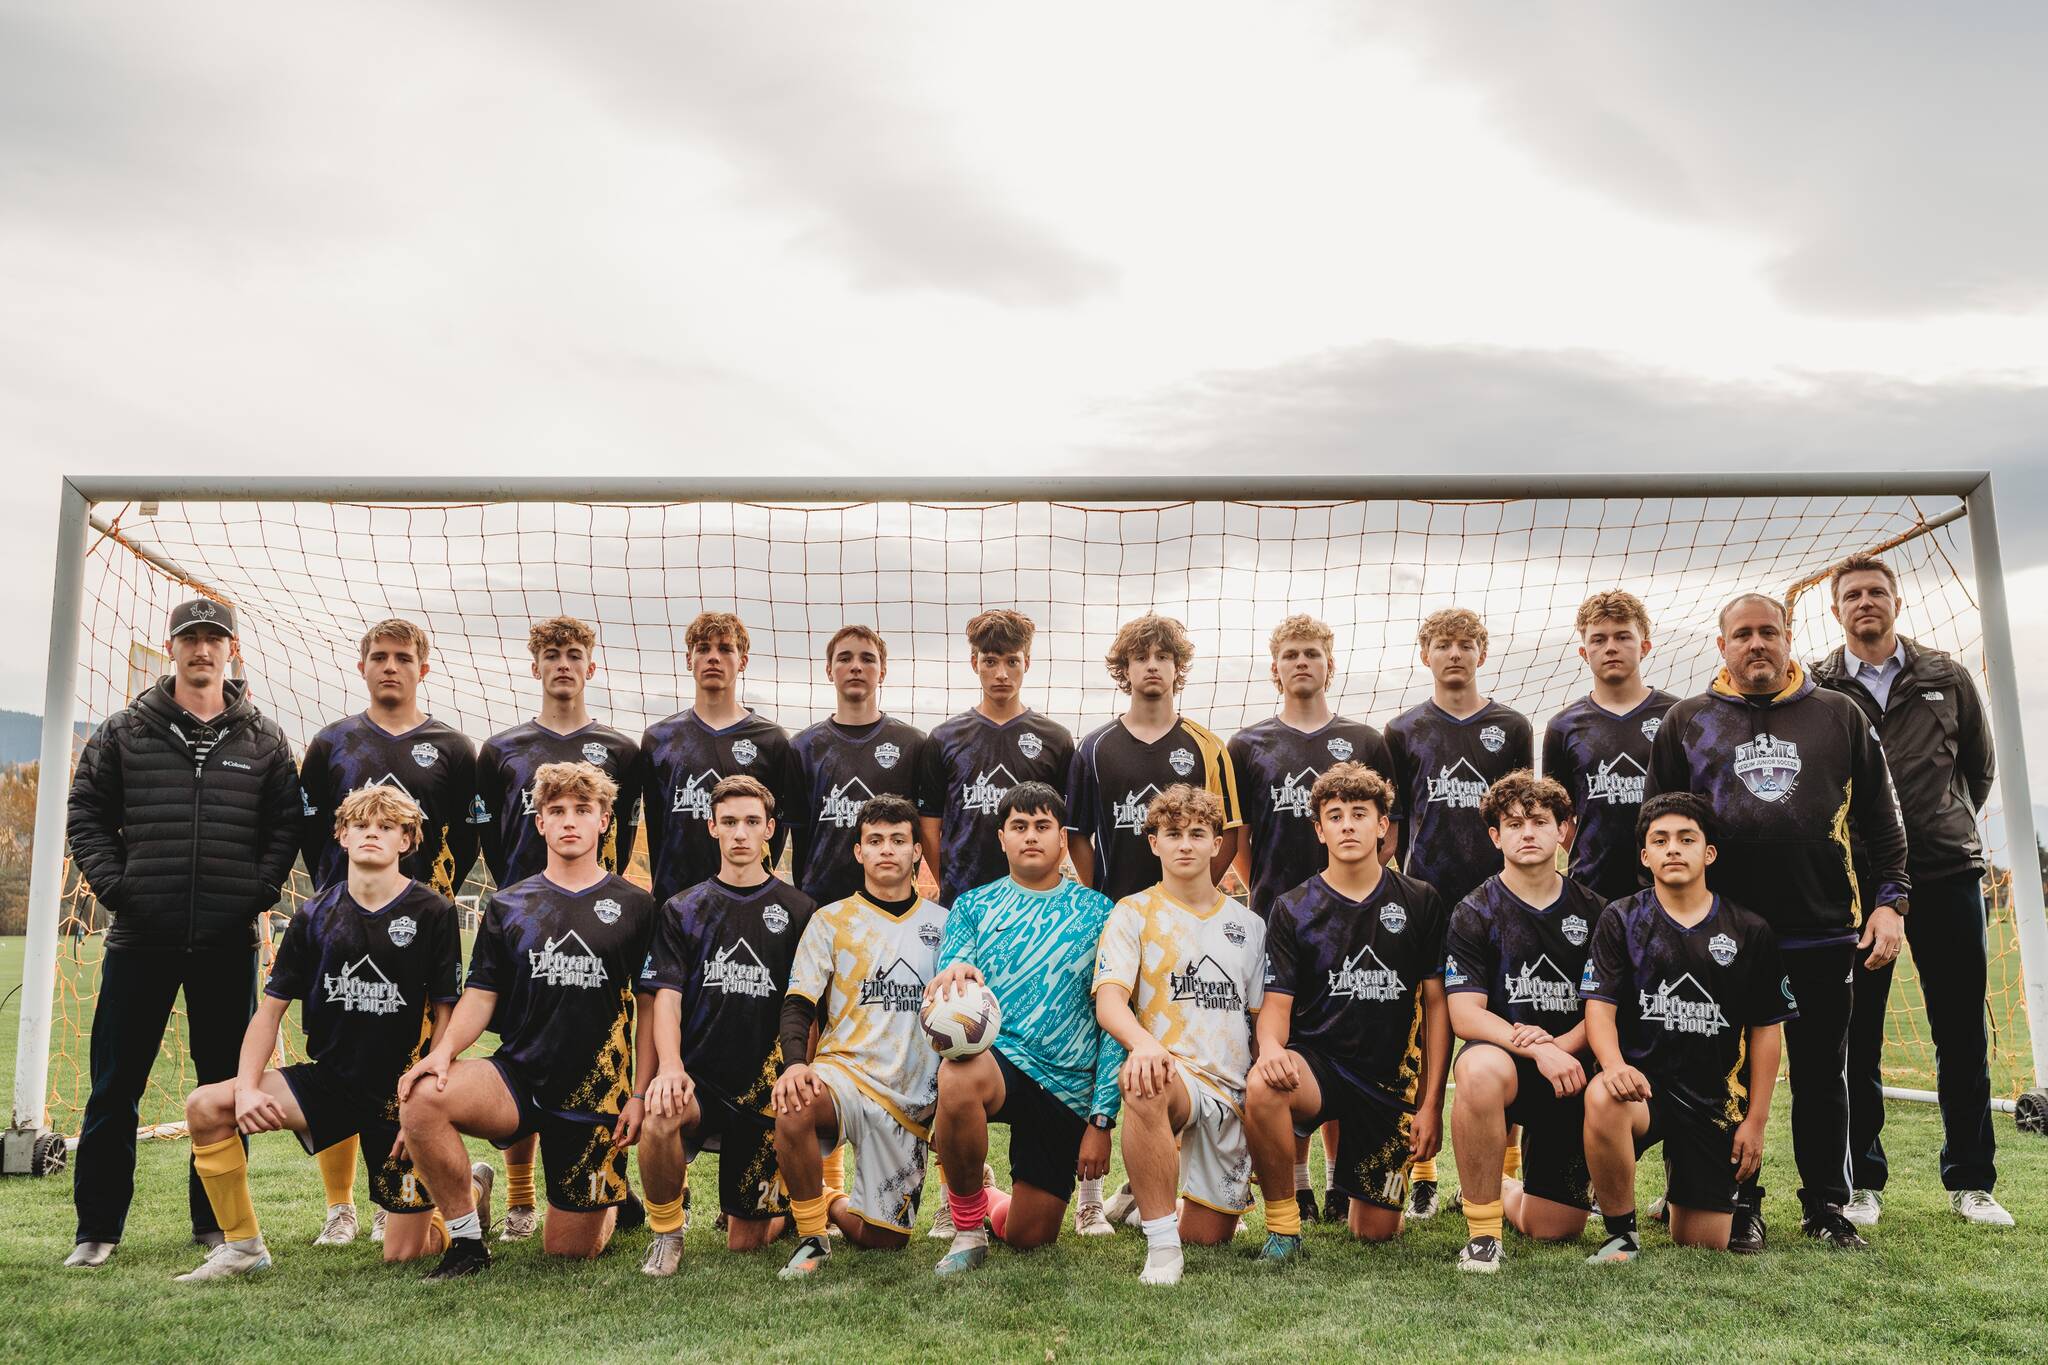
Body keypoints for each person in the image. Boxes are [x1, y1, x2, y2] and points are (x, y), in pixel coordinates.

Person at [1647, 591, 1910, 1251]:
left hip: (1823, 926)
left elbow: (1881, 819)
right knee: (1719, 1075)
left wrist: (1891, 901)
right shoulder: (1686, 720)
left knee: (1824, 1072)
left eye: (1769, 632)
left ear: (1789, 637)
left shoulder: (1837, 714)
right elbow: (1657, 827)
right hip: (1720, 935)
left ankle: (1825, 1203)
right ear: (1722, 645)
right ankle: (1738, 1202)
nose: (1756, 644)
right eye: (1743, 634)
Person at [64, 598, 300, 1269]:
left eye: (213, 639)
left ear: (233, 650)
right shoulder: (123, 732)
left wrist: (253, 893)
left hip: (229, 942)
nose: (202, 650)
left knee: (225, 1083)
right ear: (171, 648)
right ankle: (96, 1230)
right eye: (190, 638)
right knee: (115, 1086)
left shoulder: (263, 739)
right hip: (141, 938)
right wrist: (120, 888)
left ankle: (217, 1225)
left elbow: (285, 828)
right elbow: (85, 813)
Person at [176, 786, 465, 1279]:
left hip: (399, 1093)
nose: (372, 832)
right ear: (341, 835)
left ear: (408, 840)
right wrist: (246, 1087)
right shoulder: (313, 915)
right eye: (361, 824)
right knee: (206, 1105)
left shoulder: (433, 912)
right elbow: (268, 1014)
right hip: (328, 1082)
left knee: (403, 1255)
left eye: (388, 826)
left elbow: (447, 1015)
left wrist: (424, 1106)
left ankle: (465, 1191)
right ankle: (243, 1247)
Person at [396, 762, 658, 1277]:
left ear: (605, 820)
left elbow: (650, 1008)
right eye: (556, 810)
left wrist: (640, 1092)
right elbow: (481, 995)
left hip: (594, 1091)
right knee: (422, 1096)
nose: (569, 821)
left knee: (567, 1253)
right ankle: (468, 1241)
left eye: (583, 810)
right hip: (517, 1075)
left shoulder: (636, 906)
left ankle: (610, 1194)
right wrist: (442, 1054)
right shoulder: (510, 904)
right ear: (539, 823)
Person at [1813, 555, 2009, 1227]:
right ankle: (1862, 1181)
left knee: (1959, 1031)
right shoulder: (1819, 684)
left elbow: (1977, 772)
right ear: (1835, 609)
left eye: (1876, 591)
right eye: (1852, 595)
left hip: (1947, 872)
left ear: (1896, 600)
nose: (1865, 602)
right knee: (1854, 1034)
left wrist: (1933, 827)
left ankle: (1972, 1182)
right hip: (1856, 885)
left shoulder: (1946, 676)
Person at [296, 616, 481, 1247]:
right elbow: (310, 823)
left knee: (410, 1054)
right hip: (345, 926)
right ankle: (340, 1205)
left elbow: (470, 830)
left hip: (419, 926)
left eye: (403, 657)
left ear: (422, 669)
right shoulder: (331, 742)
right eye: (379, 656)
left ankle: (396, 1193)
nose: (391, 665)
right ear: (363, 666)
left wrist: (434, 893)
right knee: (341, 1054)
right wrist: (331, 894)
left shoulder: (453, 748)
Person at [475, 614, 644, 1241]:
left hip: (599, 917)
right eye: (552, 655)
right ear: (536, 666)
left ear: (591, 666)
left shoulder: (623, 750)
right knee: (525, 1050)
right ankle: (520, 1198)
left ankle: (604, 1179)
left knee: (602, 1049)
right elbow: (490, 835)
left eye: (574, 654)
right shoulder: (502, 749)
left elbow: (622, 835)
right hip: (524, 923)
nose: (563, 664)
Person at [1228, 613, 1396, 1226]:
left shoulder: (1366, 740)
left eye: (1313, 654)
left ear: (1331, 664)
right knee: (1290, 1043)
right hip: (1282, 914)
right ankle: (1294, 1182)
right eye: (1291, 654)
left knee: (1348, 1037)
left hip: (1354, 919)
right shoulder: (1247, 744)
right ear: (1275, 668)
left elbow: (1388, 829)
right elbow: (1241, 837)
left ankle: (1337, 1181)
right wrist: (1271, 891)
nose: (1303, 662)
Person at [1245, 764, 1447, 1264]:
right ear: (1319, 829)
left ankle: (1366, 1188)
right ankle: (1284, 1228)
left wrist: (1431, 1104)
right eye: (1335, 816)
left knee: (1375, 1233)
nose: (1348, 825)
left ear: (1383, 825)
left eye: (1360, 814)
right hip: (1319, 1067)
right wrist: (1270, 1049)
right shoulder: (1293, 907)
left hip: (1388, 1085)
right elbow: (1276, 1006)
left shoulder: (1420, 900)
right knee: (1263, 1086)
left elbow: (1437, 1006)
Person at [1580, 794, 1793, 1262]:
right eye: (1660, 840)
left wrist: (1755, 1121)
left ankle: (1686, 1190)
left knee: (1701, 1242)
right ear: (1645, 856)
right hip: (1643, 1091)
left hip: (1713, 1102)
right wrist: (1613, 1065)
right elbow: (1599, 1006)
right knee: (1603, 1095)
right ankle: (1620, 1233)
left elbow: (1765, 1031)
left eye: (1686, 839)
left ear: (1708, 853)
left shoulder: (1749, 930)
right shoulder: (1620, 919)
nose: (1673, 849)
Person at [923, 783, 1123, 1274]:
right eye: (1019, 827)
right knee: (959, 1074)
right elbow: (949, 991)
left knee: (1030, 1238)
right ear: (1001, 839)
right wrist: (953, 975)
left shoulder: (1101, 913)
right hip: (1002, 1062)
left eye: (1042, 826)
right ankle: (968, 1229)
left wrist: (1100, 1121)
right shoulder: (973, 906)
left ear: (1061, 840)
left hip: (1068, 1084)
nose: (1030, 836)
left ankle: (988, 1196)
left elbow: (1115, 1021)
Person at [1383, 606, 1533, 1219]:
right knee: (1426, 1031)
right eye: (1442, 644)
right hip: (1430, 902)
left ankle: (1509, 1169)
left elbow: (1526, 812)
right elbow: (1392, 829)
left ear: (1482, 652)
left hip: (1502, 902)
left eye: (1465, 643)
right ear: (1425, 655)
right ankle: (1422, 1172)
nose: (1453, 654)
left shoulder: (1513, 726)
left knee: (1506, 1022)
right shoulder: (1401, 730)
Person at [635, 776, 818, 1275]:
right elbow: (666, 1000)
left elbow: (809, 1007)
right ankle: (667, 1232)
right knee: (659, 1113)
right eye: (731, 822)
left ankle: (774, 1205)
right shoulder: (682, 909)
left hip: (765, 1091)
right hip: (701, 1083)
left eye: (752, 823)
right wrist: (669, 1068)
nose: (741, 833)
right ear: (712, 826)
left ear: (770, 830)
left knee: (747, 1242)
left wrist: (798, 1067)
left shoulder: (800, 911)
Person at [1092, 785, 1265, 1287]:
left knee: (1208, 1236)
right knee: (1141, 1081)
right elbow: (1109, 1003)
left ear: (1217, 844)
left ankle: (1142, 1194)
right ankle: (1162, 1250)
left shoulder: (1248, 925)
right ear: (1155, 844)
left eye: (1197, 833)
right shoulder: (1133, 912)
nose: (1185, 844)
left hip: (1230, 1092)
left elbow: (1258, 1021)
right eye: (1173, 834)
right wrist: (1145, 1044)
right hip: (1173, 1073)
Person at [772, 795, 949, 1280]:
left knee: (883, 1242)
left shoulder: (945, 925)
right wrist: (795, 1065)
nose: (886, 849)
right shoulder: (830, 921)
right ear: (858, 852)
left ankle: (829, 1201)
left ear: (917, 851)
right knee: (795, 1102)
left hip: (910, 1096)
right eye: (875, 841)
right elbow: (798, 1004)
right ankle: (811, 1237)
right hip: (843, 1074)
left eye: (898, 840)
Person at [1443, 772, 1607, 1272]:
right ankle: (1483, 1234)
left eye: (1540, 821)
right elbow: (1464, 1013)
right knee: (1477, 1069)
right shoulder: (1474, 910)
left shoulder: (1597, 911)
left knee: (1553, 1228)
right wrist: (1537, 1047)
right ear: (1495, 836)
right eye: (1513, 824)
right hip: (1511, 1065)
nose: (1527, 832)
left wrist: (1561, 1045)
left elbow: (1604, 1007)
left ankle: (1509, 1187)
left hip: (1572, 1070)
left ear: (1565, 831)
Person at [1067, 614, 1242, 904]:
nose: (1151, 665)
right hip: (1116, 911)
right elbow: (1076, 835)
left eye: (1162, 656)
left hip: (1187, 913)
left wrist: (1196, 894)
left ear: (1177, 667)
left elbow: (1230, 833)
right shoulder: (1093, 747)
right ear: (1125, 668)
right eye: (1140, 657)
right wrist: (1103, 897)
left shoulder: (1210, 746)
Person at [636, 611, 803, 907]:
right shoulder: (658, 739)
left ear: (743, 661)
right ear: (689, 660)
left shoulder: (772, 740)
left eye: (725, 649)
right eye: (703, 648)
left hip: (746, 902)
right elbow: (657, 828)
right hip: (675, 904)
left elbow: (776, 830)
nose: (714, 657)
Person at [915, 609, 1075, 908]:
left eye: (1012, 661)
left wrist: (1043, 875)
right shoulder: (944, 738)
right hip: (962, 898)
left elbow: (1065, 825)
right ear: (975, 663)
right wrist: (943, 883)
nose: (1001, 673)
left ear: (1026, 662)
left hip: (1035, 900)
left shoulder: (1056, 739)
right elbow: (930, 825)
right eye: (990, 661)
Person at [1542, 592, 1678, 902]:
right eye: (1599, 639)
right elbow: (1558, 815)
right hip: (1592, 889)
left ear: (1644, 647)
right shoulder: (1563, 726)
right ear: (1583, 651)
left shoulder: (1677, 715)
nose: (1611, 647)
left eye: (1623, 637)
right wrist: (1590, 851)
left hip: (1668, 886)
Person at [789, 626, 929, 907]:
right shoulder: (804, 746)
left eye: (867, 658)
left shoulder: (913, 744)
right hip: (822, 904)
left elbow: (924, 830)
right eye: (844, 659)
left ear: (883, 671)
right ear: (829, 670)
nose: (856, 667)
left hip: (893, 902)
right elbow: (799, 837)